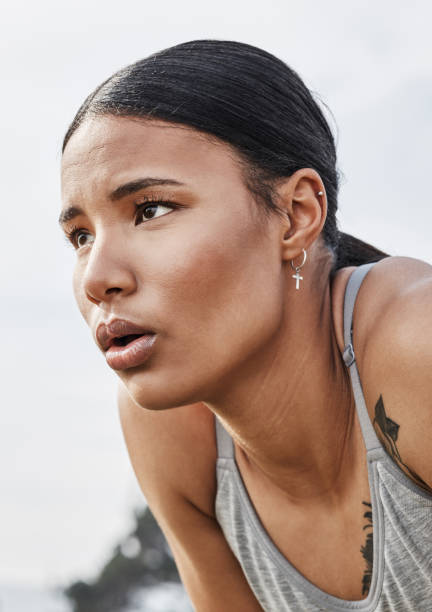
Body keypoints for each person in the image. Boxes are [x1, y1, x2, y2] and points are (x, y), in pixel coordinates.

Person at [59, 40, 432, 611]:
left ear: (296, 216)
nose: (97, 278)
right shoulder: (172, 430)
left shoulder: (415, 340)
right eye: (81, 236)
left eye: (151, 209)